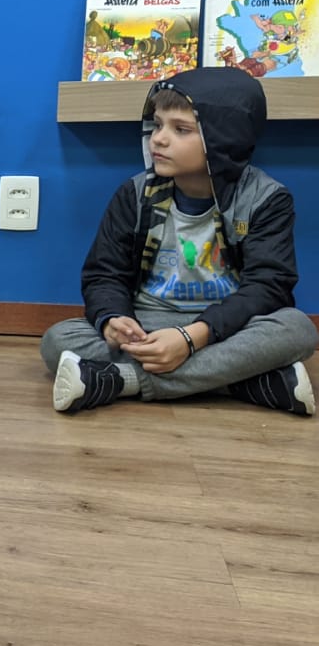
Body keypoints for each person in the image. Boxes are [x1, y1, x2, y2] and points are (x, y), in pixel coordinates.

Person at [41, 68, 319, 414]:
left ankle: (120, 381)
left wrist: (193, 337)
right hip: (149, 324)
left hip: (228, 327)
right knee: (57, 339)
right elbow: (103, 274)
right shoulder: (134, 194)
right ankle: (243, 382)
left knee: (297, 330)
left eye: (181, 129)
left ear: (224, 139)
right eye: (157, 125)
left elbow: (268, 286)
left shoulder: (266, 199)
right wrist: (113, 319)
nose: (159, 139)